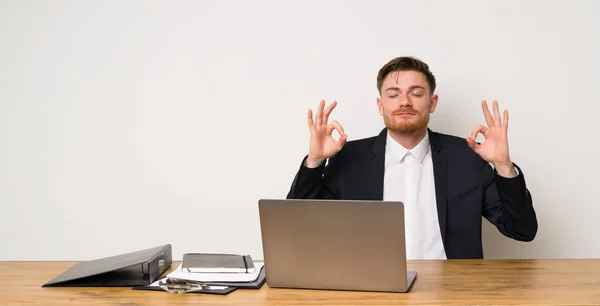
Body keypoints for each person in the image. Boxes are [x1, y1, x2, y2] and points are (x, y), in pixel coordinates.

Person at [286, 56, 538, 259]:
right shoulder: (348, 158)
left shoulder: (467, 156)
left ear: (432, 102)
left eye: (416, 93)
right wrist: (315, 161)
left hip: (453, 292)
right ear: (380, 105)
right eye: (393, 95)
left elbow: (522, 230)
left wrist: (503, 166)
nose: (404, 102)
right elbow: (296, 228)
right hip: (371, 293)